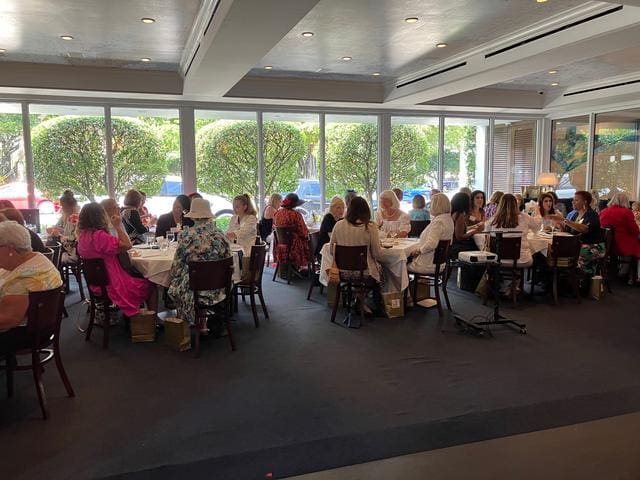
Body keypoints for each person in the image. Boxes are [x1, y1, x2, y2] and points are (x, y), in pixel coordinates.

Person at [77, 203, 157, 318]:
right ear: (101, 216)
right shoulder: (100, 236)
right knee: (151, 285)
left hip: (96, 285)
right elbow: (127, 245)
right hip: (113, 285)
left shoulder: (82, 237)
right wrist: (118, 226)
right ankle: (150, 323)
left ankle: (140, 320)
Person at [0, 221, 63, 355]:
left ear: (9, 249)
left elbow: (6, 320)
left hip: (24, 334)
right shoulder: (38, 259)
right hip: (42, 327)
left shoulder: (22, 278)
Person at [168, 198, 232, 327]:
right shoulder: (220, 235)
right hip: (219, 288)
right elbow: (229, 263)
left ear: (193, 217)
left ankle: (183, 326)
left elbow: (176, 266)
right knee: (194, 278)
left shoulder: (187, 236)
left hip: (194, 289)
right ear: (209, 216)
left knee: (177, 282)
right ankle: (202, 325)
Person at [329, 196, 383, 314]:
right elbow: (377, 253)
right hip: (364, 273)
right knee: (381, 269)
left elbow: (331, 250)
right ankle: (370, 303)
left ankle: (358, 300)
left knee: (362, 273)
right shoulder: (370, 226)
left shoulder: (339, 225)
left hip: (342, 272)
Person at [551, 190, 603, 275]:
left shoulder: (591, 214)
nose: (572, 202)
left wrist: (566, 221)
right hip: (577, 245)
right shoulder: (575, 214)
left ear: (585, 202)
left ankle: (579, 279)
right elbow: (568, 231)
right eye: (573, 200)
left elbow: (585, 229)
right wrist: (559, 224)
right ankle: (558, 278)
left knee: (567, 253)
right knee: (554, 251)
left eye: (576, 200)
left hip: (592, 246)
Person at [484, 194, 539, 266]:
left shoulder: (493, 220)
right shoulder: (525, 217)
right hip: (522, 260)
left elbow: (486, 232)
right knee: (536, 255)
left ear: (500, 205)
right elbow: (537, 228)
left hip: (498, 259)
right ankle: (528, 277)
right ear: (516, 204)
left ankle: (497, 275)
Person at [409, 193, 454, 274]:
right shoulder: (448, 219)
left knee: (398, 264)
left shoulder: (438, 222)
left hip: (428, 264)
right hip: (440, 262)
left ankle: (400, 286)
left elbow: (431, 244)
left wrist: (419, 250)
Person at [273, 193, 311, 271]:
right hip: (293, 246)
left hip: (280, 244)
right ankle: (310, 268)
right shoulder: (296, 215)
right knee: (311, 241)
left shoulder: (277, 213)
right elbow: (303, 232)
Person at [599, 192, 640, 259]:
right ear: (626, 202)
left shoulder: (603, 211)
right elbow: (635, 231)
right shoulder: (626, 212)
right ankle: (628, 269)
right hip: (622, 245)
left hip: (606, 244)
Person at [48, 190, 80, 266]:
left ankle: (58, 274)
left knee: (53, 255)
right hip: (65, 247)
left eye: (63, 206)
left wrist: (59, 235)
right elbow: (59, 227)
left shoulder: (76, 218)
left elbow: (75, 238)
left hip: (71, 251)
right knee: (51, 247)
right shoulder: (66, 215)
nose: (62, 208)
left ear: (69, 207)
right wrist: (54, 229)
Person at [449, 192, 483, 259]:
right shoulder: (459, 215)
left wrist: (473, 227)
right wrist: (475, 231)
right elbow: (460, 237)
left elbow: (460, 230)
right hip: (456, 247)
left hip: (451, 245)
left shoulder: (453, 213)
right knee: (478, 248)